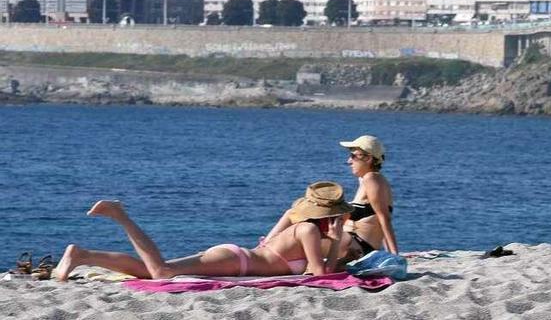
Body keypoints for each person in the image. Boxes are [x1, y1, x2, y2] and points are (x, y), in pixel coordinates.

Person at [55, 181, 354, 281]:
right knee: (161, 272)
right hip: (238, 262)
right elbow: (319, 275)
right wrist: (338, 236)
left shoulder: (298, 224)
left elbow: (270, 237)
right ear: (331, 215)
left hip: (238, 257)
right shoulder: (309, 232)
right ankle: (120, 215)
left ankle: (82, 255)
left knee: (152, 271)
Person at [336, 135, 399, 260]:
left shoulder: (371, 178)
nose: (349, 161)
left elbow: (384, 218)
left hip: (357, 245)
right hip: (355, 244)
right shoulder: (367, 179)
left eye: (353, 156)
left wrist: (394, 255)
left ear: (368, 158)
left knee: (306, 232)